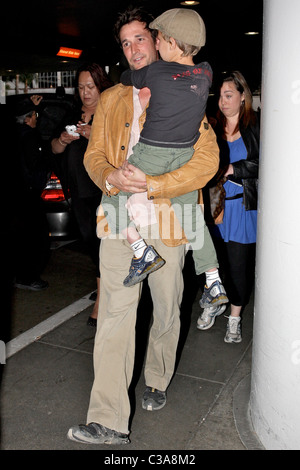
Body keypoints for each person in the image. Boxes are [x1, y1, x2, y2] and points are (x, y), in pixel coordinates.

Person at [67, 6, 220, 446]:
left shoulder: (185, 89)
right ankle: (109, 419)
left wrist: (155, 183)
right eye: (126, 43)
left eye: (140, 39)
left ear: (158, 41)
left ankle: (156, 376)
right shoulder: (113, 98)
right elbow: (95, 156)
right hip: (119, 220)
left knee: (167, 307)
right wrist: (110, 176)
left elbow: (206, 160)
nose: (134, 48)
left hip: (169, 220)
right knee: (115, 314)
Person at [101, 9, 227, 308]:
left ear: (171, 41)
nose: (155, 45)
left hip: (153, 153)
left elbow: (128, 77)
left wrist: (128, 75)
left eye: (155, 39)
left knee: (111, 198)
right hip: (183, 154)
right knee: (193, 219)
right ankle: (212, 278)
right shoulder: (207, 72)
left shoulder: (156, 73)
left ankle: (140, 250)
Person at [197, 71, 260, 343]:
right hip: (214, 208)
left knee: (237, 267)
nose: (223, 102)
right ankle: (214, 300)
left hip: (243, 209)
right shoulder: (211, 128)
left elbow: (267, 163)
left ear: (243, 96)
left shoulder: (256, 127)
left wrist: (233, 168)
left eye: (229, 95)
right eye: (220, 96)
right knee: (213, 262)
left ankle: (234, 317)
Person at [51, 63, 113, 326]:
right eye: (81, 87)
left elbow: (119, 150)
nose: (86, 92)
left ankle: (101, 303)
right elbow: (53, 149)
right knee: (91, 244)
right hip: (78, 193)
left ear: (101, 85)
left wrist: (93, 135)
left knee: (100, 245)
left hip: (101, 192)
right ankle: (105, 287)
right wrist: (63, 141)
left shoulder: (110, 113)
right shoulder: (72, 112)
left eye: (91, 86)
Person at [14, 98, 52, 291]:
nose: (36, 118)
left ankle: (20, 274)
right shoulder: (29, 137)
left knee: (21, 237)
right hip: (29, 195)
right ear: (28, 119)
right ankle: (28, 277)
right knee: (38, 238)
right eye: (34, 115)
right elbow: (34, 166)